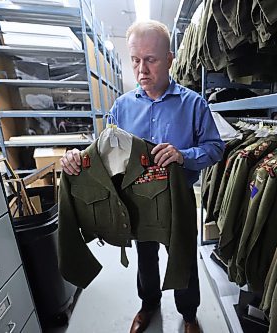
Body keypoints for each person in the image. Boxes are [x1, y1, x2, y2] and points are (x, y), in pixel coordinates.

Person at [60, 20, 224, 333]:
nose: (142, 69)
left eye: (151, 59)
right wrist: (76, 159)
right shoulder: (120, 108)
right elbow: (104, 152)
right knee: (145, 259)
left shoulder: (193, 104)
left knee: (184, 258)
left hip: (178, 200)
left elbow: (215, 149)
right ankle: (148, 305)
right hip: (135, 200)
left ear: (171, 59)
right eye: (135, 60)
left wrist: (183, 155)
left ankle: (189, 315)